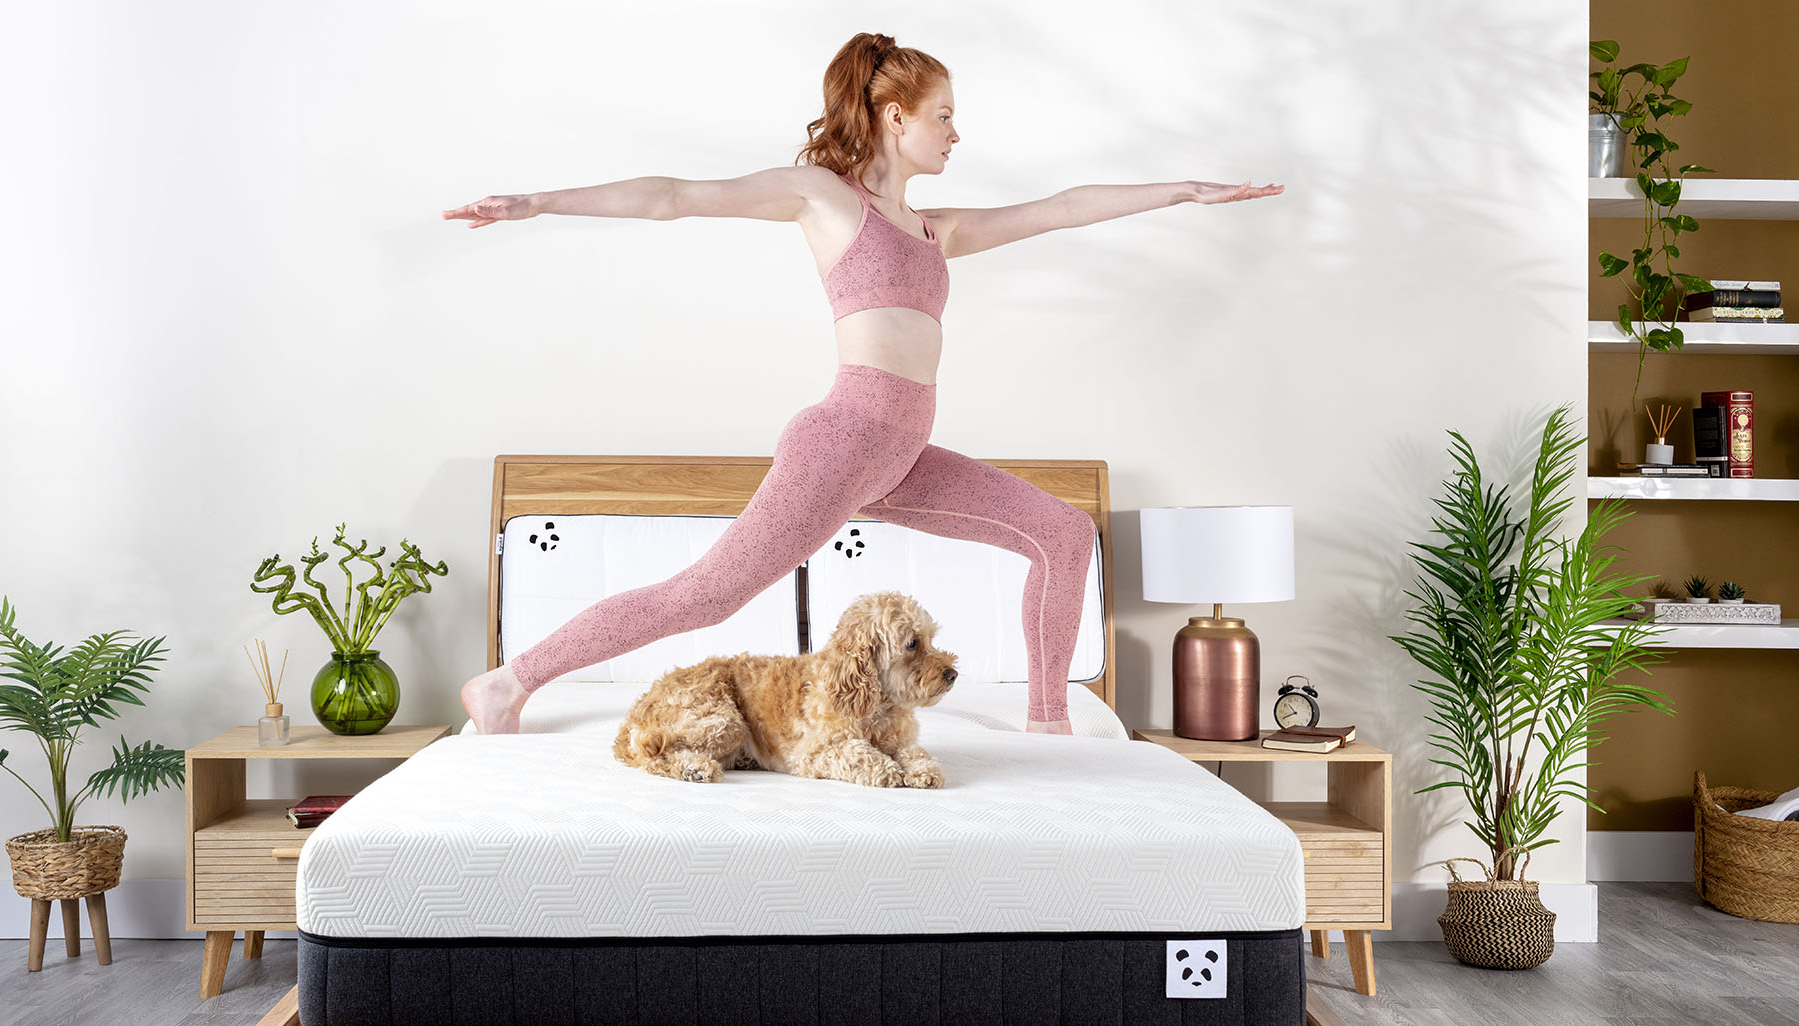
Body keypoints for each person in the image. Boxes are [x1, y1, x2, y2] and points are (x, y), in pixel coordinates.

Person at [447, 32, 1282, 736]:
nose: (956, 134)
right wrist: (537, 201)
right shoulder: (825, 198)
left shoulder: (936, 229)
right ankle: (509, 682)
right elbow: (675, 196)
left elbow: (1061, 208)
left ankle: (1048, 726)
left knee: (1064, 535)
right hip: (843, 441)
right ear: (895, 116)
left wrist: (1183, 192)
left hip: (899, 454)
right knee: (707, 595)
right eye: (943, 116)